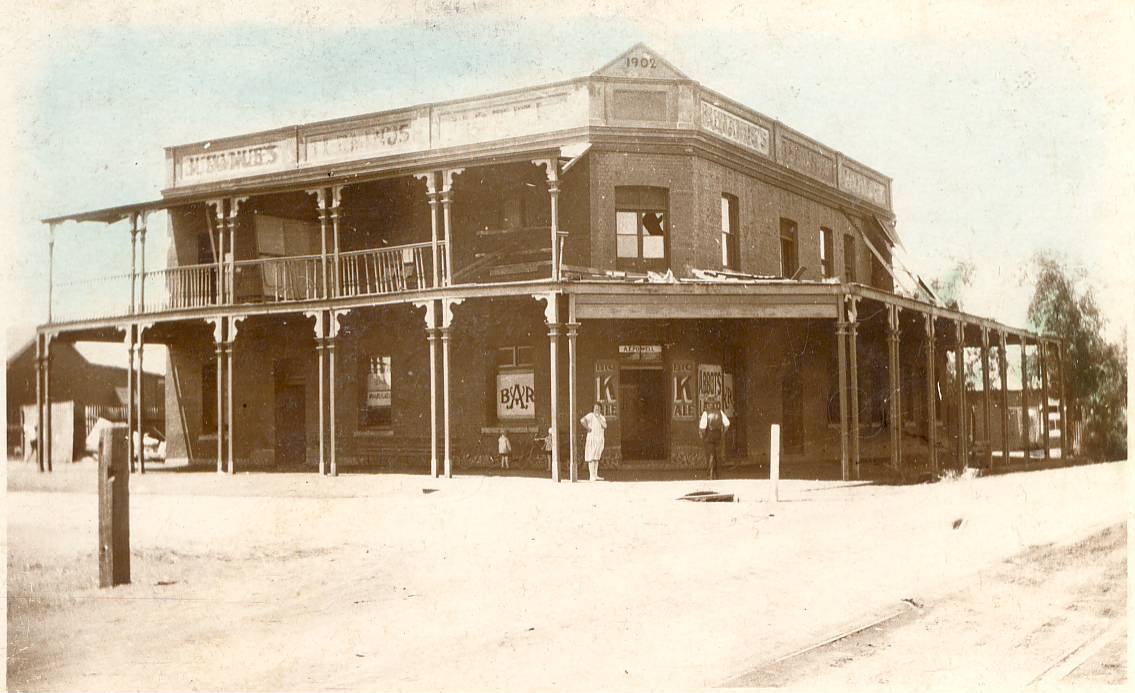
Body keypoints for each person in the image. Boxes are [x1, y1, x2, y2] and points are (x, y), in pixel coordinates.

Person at [698, 400, 730, 480]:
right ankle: (718, 475)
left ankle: (710, 475)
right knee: (718, 456)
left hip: (709, 437)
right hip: (718, 436)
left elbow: (702, 427)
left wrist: (703, 434)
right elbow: (727, 423)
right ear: (715, 405)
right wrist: (723, 432)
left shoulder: (706, 413)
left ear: (708, 405)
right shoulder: (720, 412)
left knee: (710, 456)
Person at [580, 402, 608, 481]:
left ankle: (595, 475)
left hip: (599, 439)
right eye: (595, 407)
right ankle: (591, 476)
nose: (597, 409)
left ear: (600, 409)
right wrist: (587, 428)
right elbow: (582, 420)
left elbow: (605, 426)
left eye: (598, 408)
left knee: (596, 457)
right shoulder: (590, 415)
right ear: (593, 408)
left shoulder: (602, 417)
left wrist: (598, 417)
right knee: (591, 456)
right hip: (592, 438)